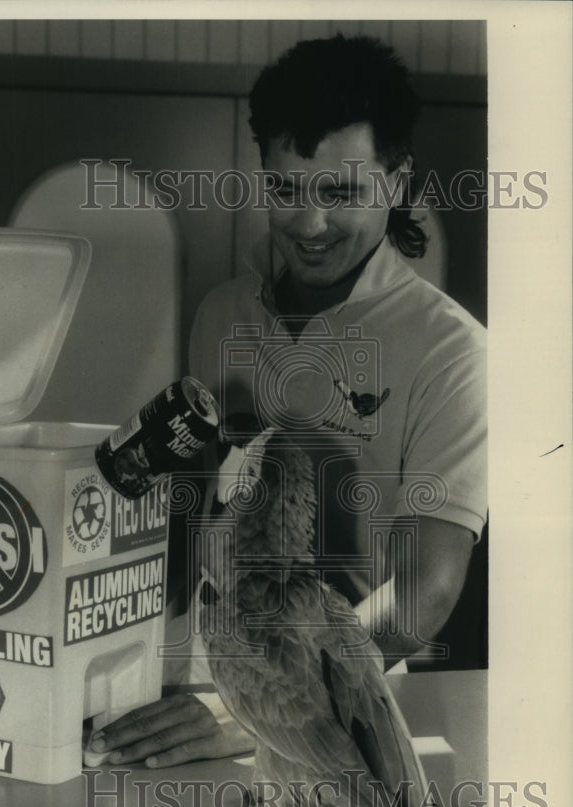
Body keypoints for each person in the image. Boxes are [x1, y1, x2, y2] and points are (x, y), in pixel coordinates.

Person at [87, 34, 486, 768]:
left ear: (397, 181)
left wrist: (257, 707)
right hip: (200, 696)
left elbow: (425, 586)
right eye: (285, 189)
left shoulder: (452, 351)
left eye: (339, 193)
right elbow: (197, 512)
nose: (307, 224)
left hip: (349, 720)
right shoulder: (221, 314)